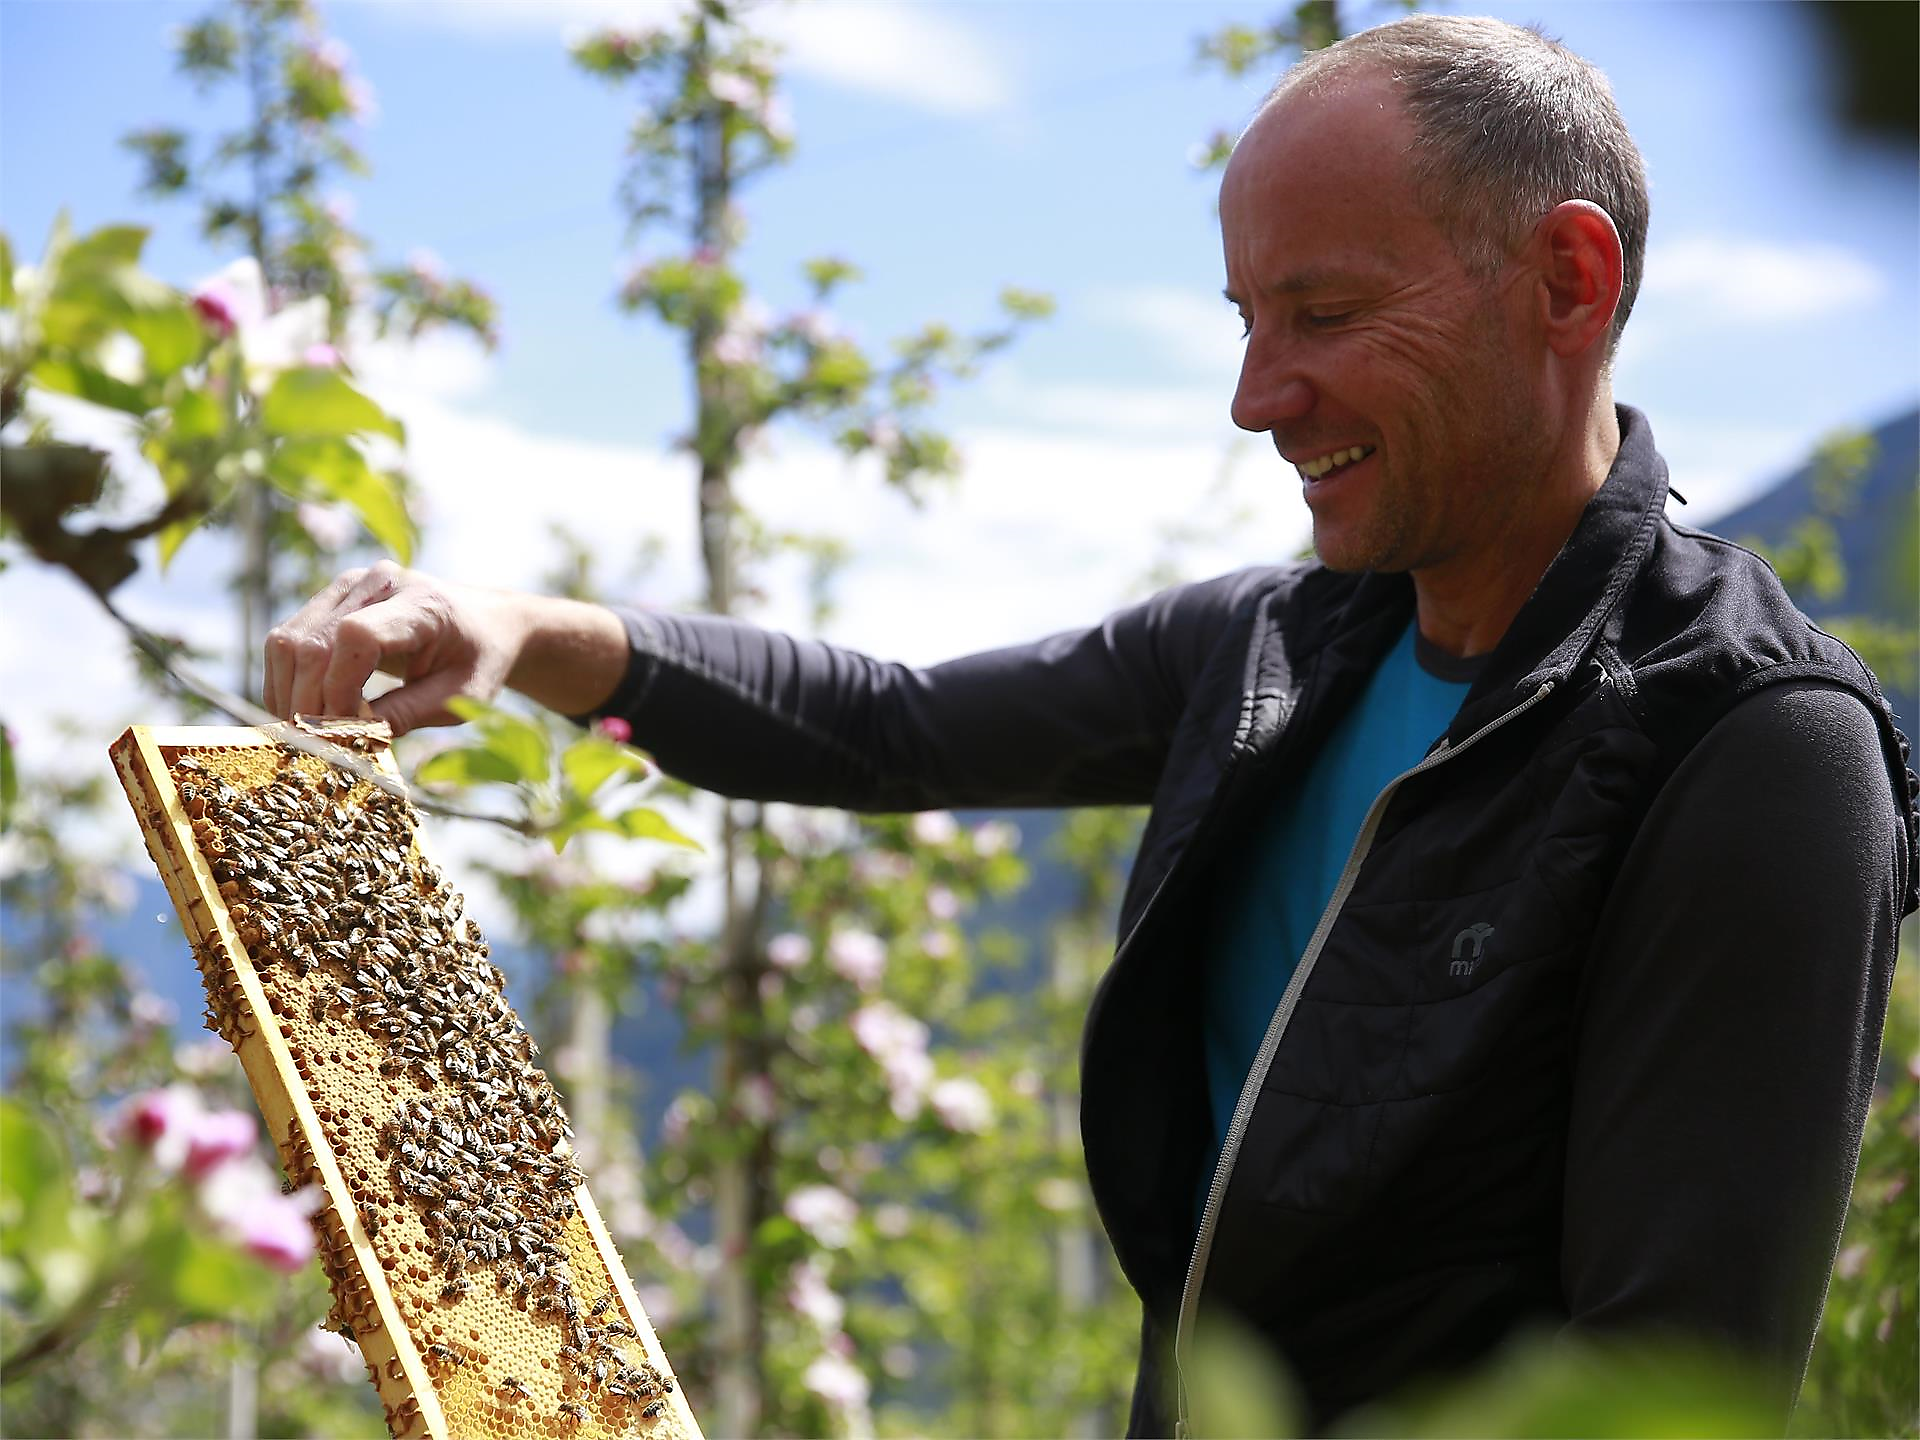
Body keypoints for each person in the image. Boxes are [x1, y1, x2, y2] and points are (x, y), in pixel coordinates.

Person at [266, 15, 1917, 1436]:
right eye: (1245, 319)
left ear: (1567, 280)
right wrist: (516, 632)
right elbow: (892, 727)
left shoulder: (1757, 752)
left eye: (1326, 315)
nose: (1257, 397)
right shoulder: (1271, 651)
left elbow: (1663, 1392)